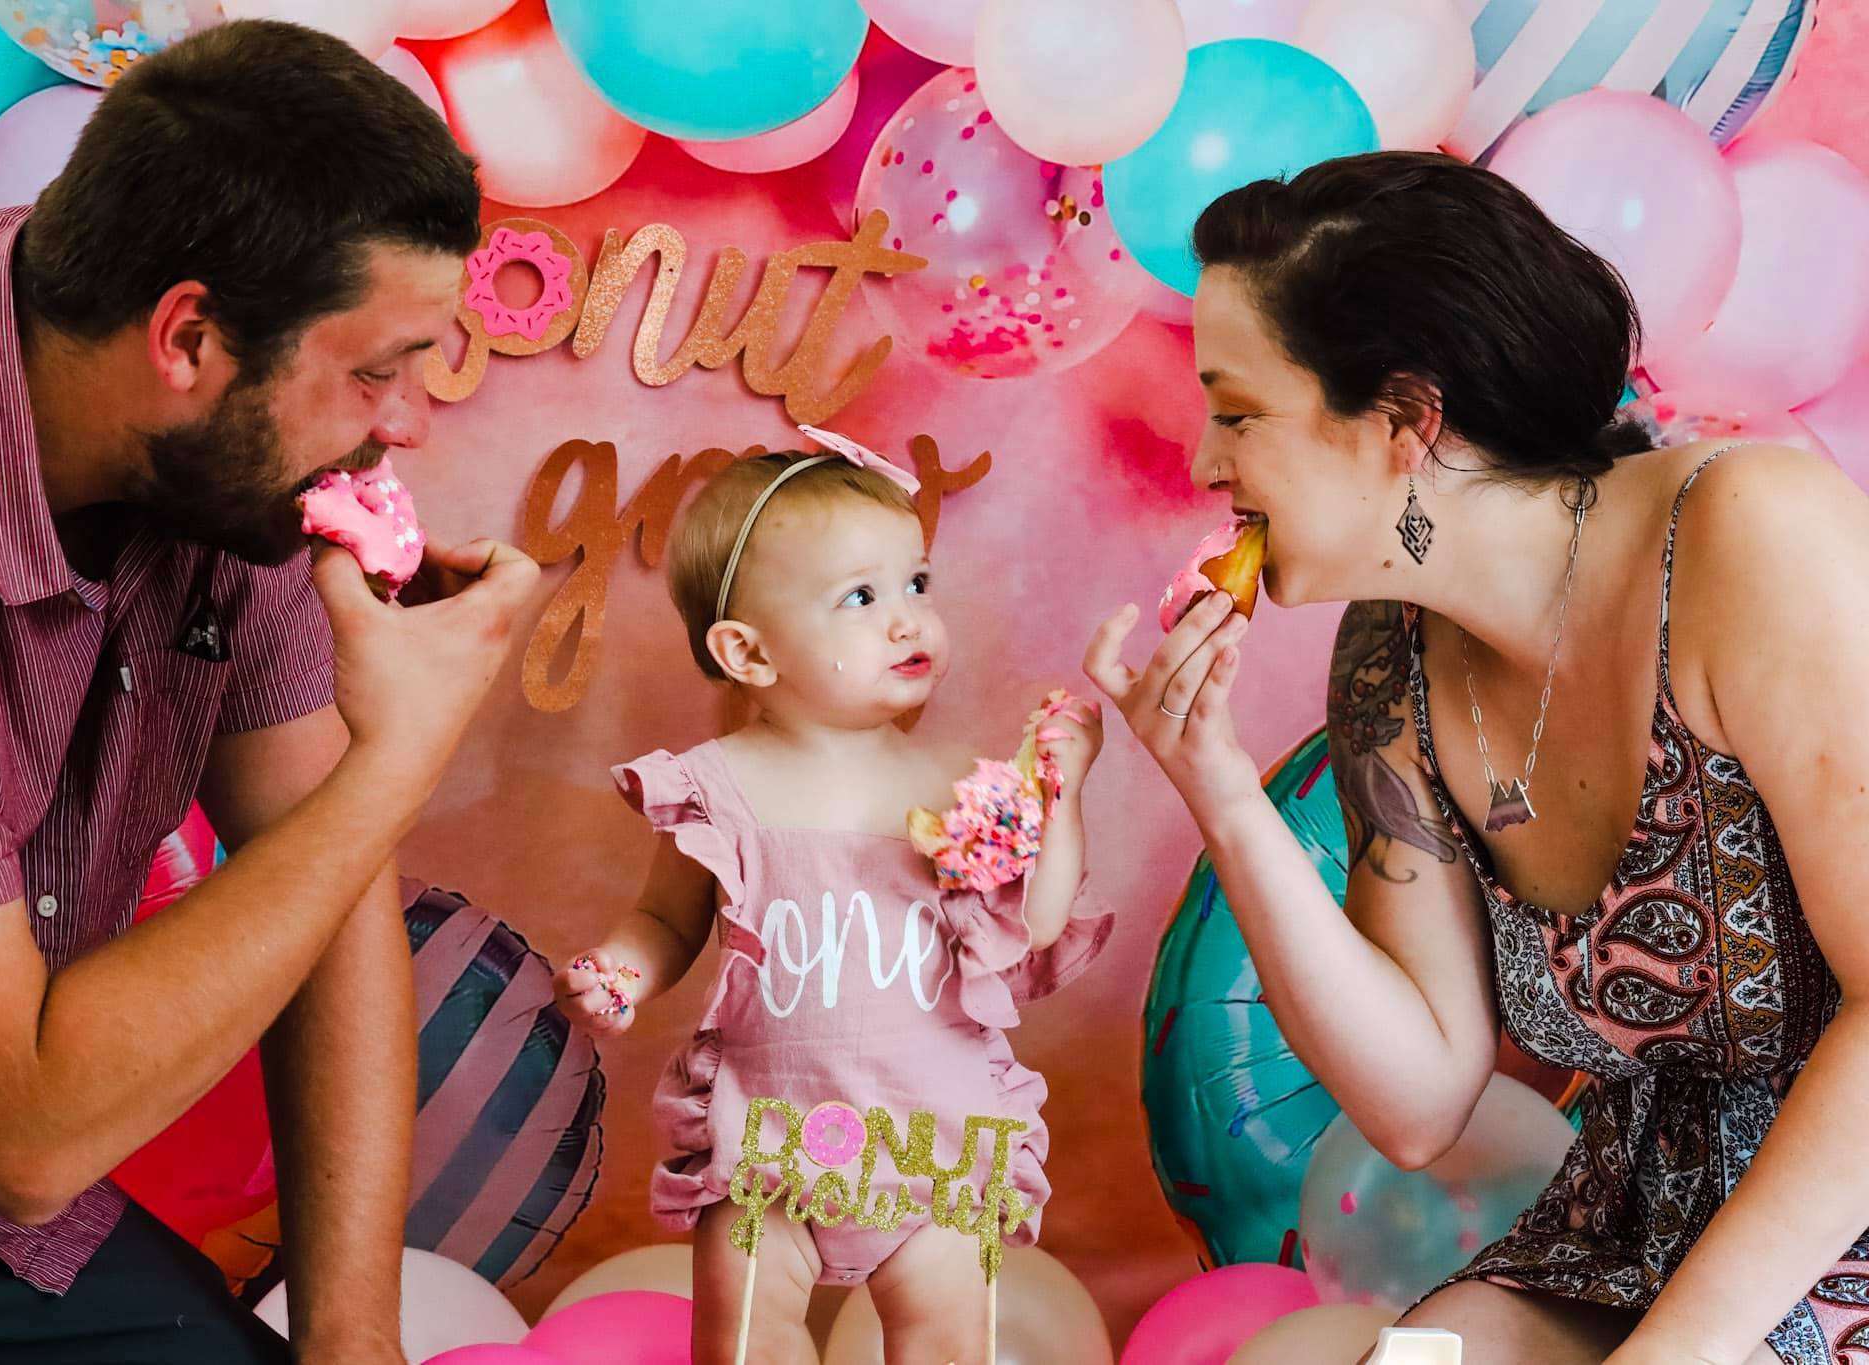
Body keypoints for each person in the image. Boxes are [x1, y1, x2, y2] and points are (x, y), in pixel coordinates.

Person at [0, 21, 537, 1364]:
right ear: (188, 336)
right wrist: (396, 763)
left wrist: (349, 1338)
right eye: (375, 370)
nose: (408, 424)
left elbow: (317, 889)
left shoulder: (221, 465)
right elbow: (24, 1132)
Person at [1086, 150, 1869, 1365]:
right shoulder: (1385, 665)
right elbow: (1414, 1105)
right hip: (1633, 1228)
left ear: (1403, 419)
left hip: (1830, 1213)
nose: (1200, 463)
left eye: (1236, 412)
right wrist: (1219, 792)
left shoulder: (1749, 536)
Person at [556, 434, 1112, 1364]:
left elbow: (1038, 925)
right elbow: (667, 918)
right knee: (741, 1337)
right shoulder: (715, 787)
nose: (909, 621)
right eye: (862, 597)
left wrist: (1064, 798)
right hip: (767, 1139)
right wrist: (623, 966)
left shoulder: (958, 787)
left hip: (930, 1139)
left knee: (947, 1340)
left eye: (917, 584)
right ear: (749, 651)